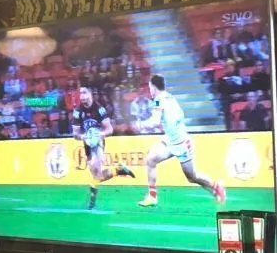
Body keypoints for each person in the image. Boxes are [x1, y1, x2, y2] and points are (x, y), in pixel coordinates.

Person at [135, 73, 226, 207]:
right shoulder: (170, 97)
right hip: (171, 140)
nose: (150, 90)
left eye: (150, 87)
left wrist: (140, 125)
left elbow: (154, 121)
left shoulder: (159, 100)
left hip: (181, 143)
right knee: (151, 159)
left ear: (153, 87)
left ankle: (216, 186)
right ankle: (152, 197)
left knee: (192, 177)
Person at [70, 86, 134, 210]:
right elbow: (75, 134)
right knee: (96, 175)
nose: (82, 96)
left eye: (84, 93)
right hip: (87, 143)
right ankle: (118, 170)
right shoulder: (78, 111)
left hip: (99, 142)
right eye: (80, 93)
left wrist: (99, 134)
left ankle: (92, 203)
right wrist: (85, 136)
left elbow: (109, 129)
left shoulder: (99, 109)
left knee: (96, 171)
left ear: (91, 94)